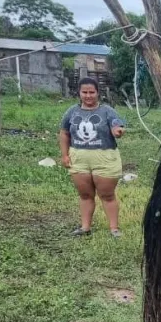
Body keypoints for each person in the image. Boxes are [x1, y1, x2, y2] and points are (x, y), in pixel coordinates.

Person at [58, 77, 126, 237]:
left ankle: (114, 229)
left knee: (107, 195)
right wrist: (64, 155)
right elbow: (64, 133)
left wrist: (118, 131)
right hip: (79, 158)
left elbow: (117, 126)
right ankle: (85, 227)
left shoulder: (107, 111)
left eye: (91, 92)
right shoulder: (71, 112)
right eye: (84, 92)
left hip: (104, 158)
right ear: (79, 93)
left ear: (98, 93)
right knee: (85, 194)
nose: (88, 96)